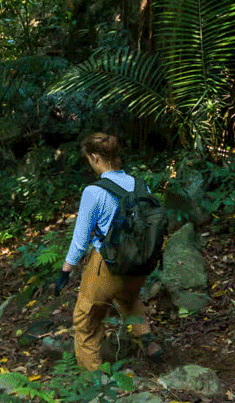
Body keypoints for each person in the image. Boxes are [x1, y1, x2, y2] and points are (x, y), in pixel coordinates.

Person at [55, 132, 163, 371]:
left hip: (109, 265)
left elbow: (80, 239)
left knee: (86, 320)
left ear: (95, 158)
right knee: (129, 298)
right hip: (139, 264)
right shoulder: (139, 183)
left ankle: (95, 381)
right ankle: (151, 345)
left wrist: (66, 270)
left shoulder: (94, 192)